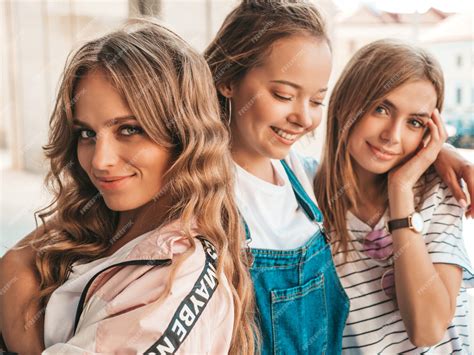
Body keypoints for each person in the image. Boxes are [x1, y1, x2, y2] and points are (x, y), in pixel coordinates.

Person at [0, 19, 257, 354]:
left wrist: (14, 267)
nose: (99, 161)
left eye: (129, 129)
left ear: (185, 137)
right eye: (87, 133)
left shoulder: (174, 282)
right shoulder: (106, 221)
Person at [314, 39, 474, 354]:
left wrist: (400, 191)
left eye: (414, 122)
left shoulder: (437, 190)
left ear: (430, 132)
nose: (393, 136)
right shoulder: (307, 196)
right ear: (347, 102)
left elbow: (427, 329)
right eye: (381, 108)